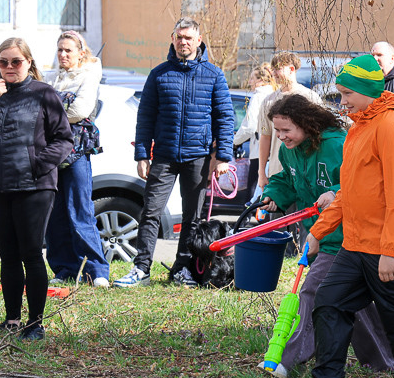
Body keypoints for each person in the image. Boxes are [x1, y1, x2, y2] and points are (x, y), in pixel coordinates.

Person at [278, 55, 394, 378]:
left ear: (369, 91)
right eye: (340, 94)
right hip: (356, 245)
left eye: (347, 94)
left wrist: (390, 252)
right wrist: (318, 233)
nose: (342, 102)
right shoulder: (359, 128)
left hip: (389, 248)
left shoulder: (390, 127)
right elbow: (349, 193)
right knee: (328, 303)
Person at [258, 94, 394, 377]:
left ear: (306, 123)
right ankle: (384, 362)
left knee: (313, 291)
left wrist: (335, 192)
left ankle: (288, 359)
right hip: (318, 234)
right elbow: (288, 180)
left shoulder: (337, 145)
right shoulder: (289, 151)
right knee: (350, 300)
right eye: (277, 131)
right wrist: (274, 194)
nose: (281, 137)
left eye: (286, 130)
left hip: (346, 235)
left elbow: (362, 179)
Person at [114, 18, 235, 287]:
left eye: (188, 38)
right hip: (164, 156)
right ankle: (141, 269)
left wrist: (223, 156)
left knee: (193, 218)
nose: (183, 42)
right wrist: (142, 155)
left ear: (198, 40)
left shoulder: (214, 74)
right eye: (179, 37)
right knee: (150, 212)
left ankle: (183, 270)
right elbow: (145, 117)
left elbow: (225, 117)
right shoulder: (159, 74)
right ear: (172, 39)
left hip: (198, 157)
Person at [0, 38, 73, 340]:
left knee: (31, 253)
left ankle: (35, 323)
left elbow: (64, 139)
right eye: (3, 62)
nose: (9, 67)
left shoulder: (44, 93)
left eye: (16, 61)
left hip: (34, 186)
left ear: (28, 63)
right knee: (8, 255)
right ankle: (12, 319)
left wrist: (36, 164)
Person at [42, 31, 111, 288]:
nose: (63, 54)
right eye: (60, 49)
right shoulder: (51, 78)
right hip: (50, 151)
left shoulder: (89, 75)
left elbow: (80, 110)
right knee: (54, 214)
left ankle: (97, 271)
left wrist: (51, 113)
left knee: (80, 211)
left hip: (77, 152)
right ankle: (65, 269)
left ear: (81, 53)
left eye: (68, 50)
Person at [256, 52, 322, 194]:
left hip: (306, 173)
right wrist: (261, 172)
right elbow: (265, 137)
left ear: (291, 69)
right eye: (272, 69)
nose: (273, 73)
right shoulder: (268, 101)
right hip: (277, 172)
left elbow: (319, 136)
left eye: (277, 69)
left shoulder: (310, 98)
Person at [233, 63, 276, 199]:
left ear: (261, 80)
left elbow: (250, 126)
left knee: (253, 189)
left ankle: (250, 212)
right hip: (272, 150)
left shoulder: (258, 96)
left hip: (259, 149)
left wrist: (234, 141)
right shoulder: (274, 94)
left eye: (252, 78)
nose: (249, 82)